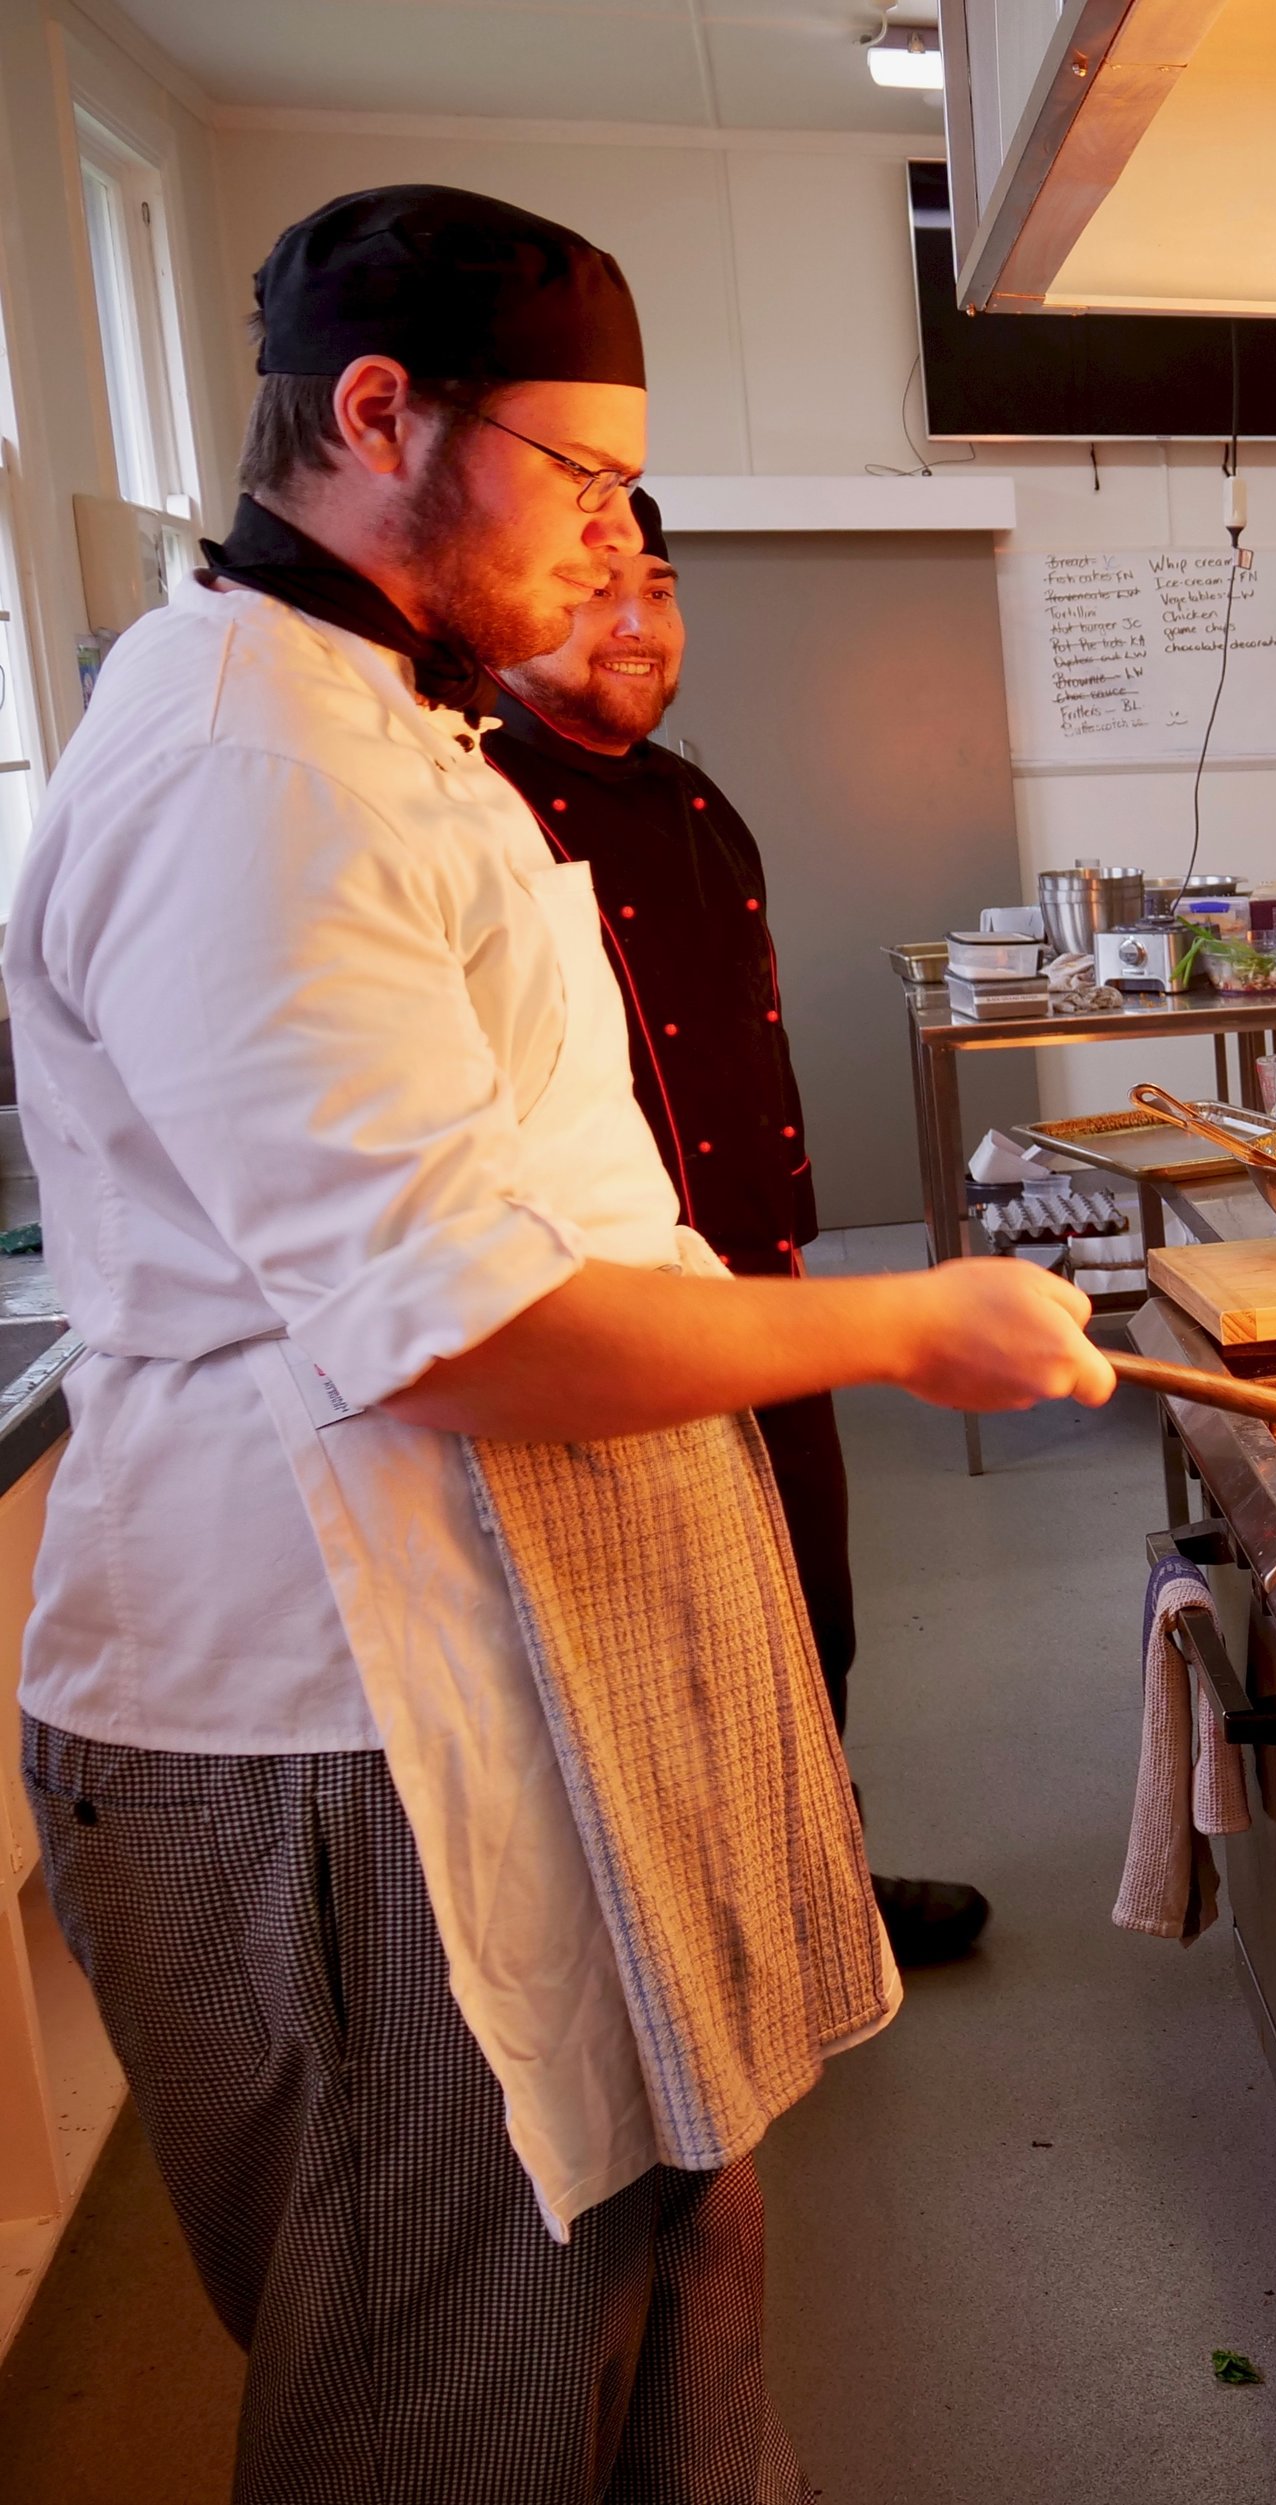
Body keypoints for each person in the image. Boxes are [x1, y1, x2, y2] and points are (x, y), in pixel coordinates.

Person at [5, 185, 1111, 2500]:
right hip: (345, 1712)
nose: (620, 534)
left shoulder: (371, 720)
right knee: (458, 2371)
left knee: (656, 2240)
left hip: (507, 1653)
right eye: (584, 472)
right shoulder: (245, 769)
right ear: (380, 415)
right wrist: (903, 1320)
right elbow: (453, 1323)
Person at [484, 492, 987, 1966]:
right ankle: (690, 1943)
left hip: (760, 1289)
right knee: (662, 1646)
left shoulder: (696, 805)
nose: (635, 623)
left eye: (658, 587)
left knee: (804, 1607)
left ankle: (817, 1882)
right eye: (594, 593)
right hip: (610, 1313)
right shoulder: (484, 812)